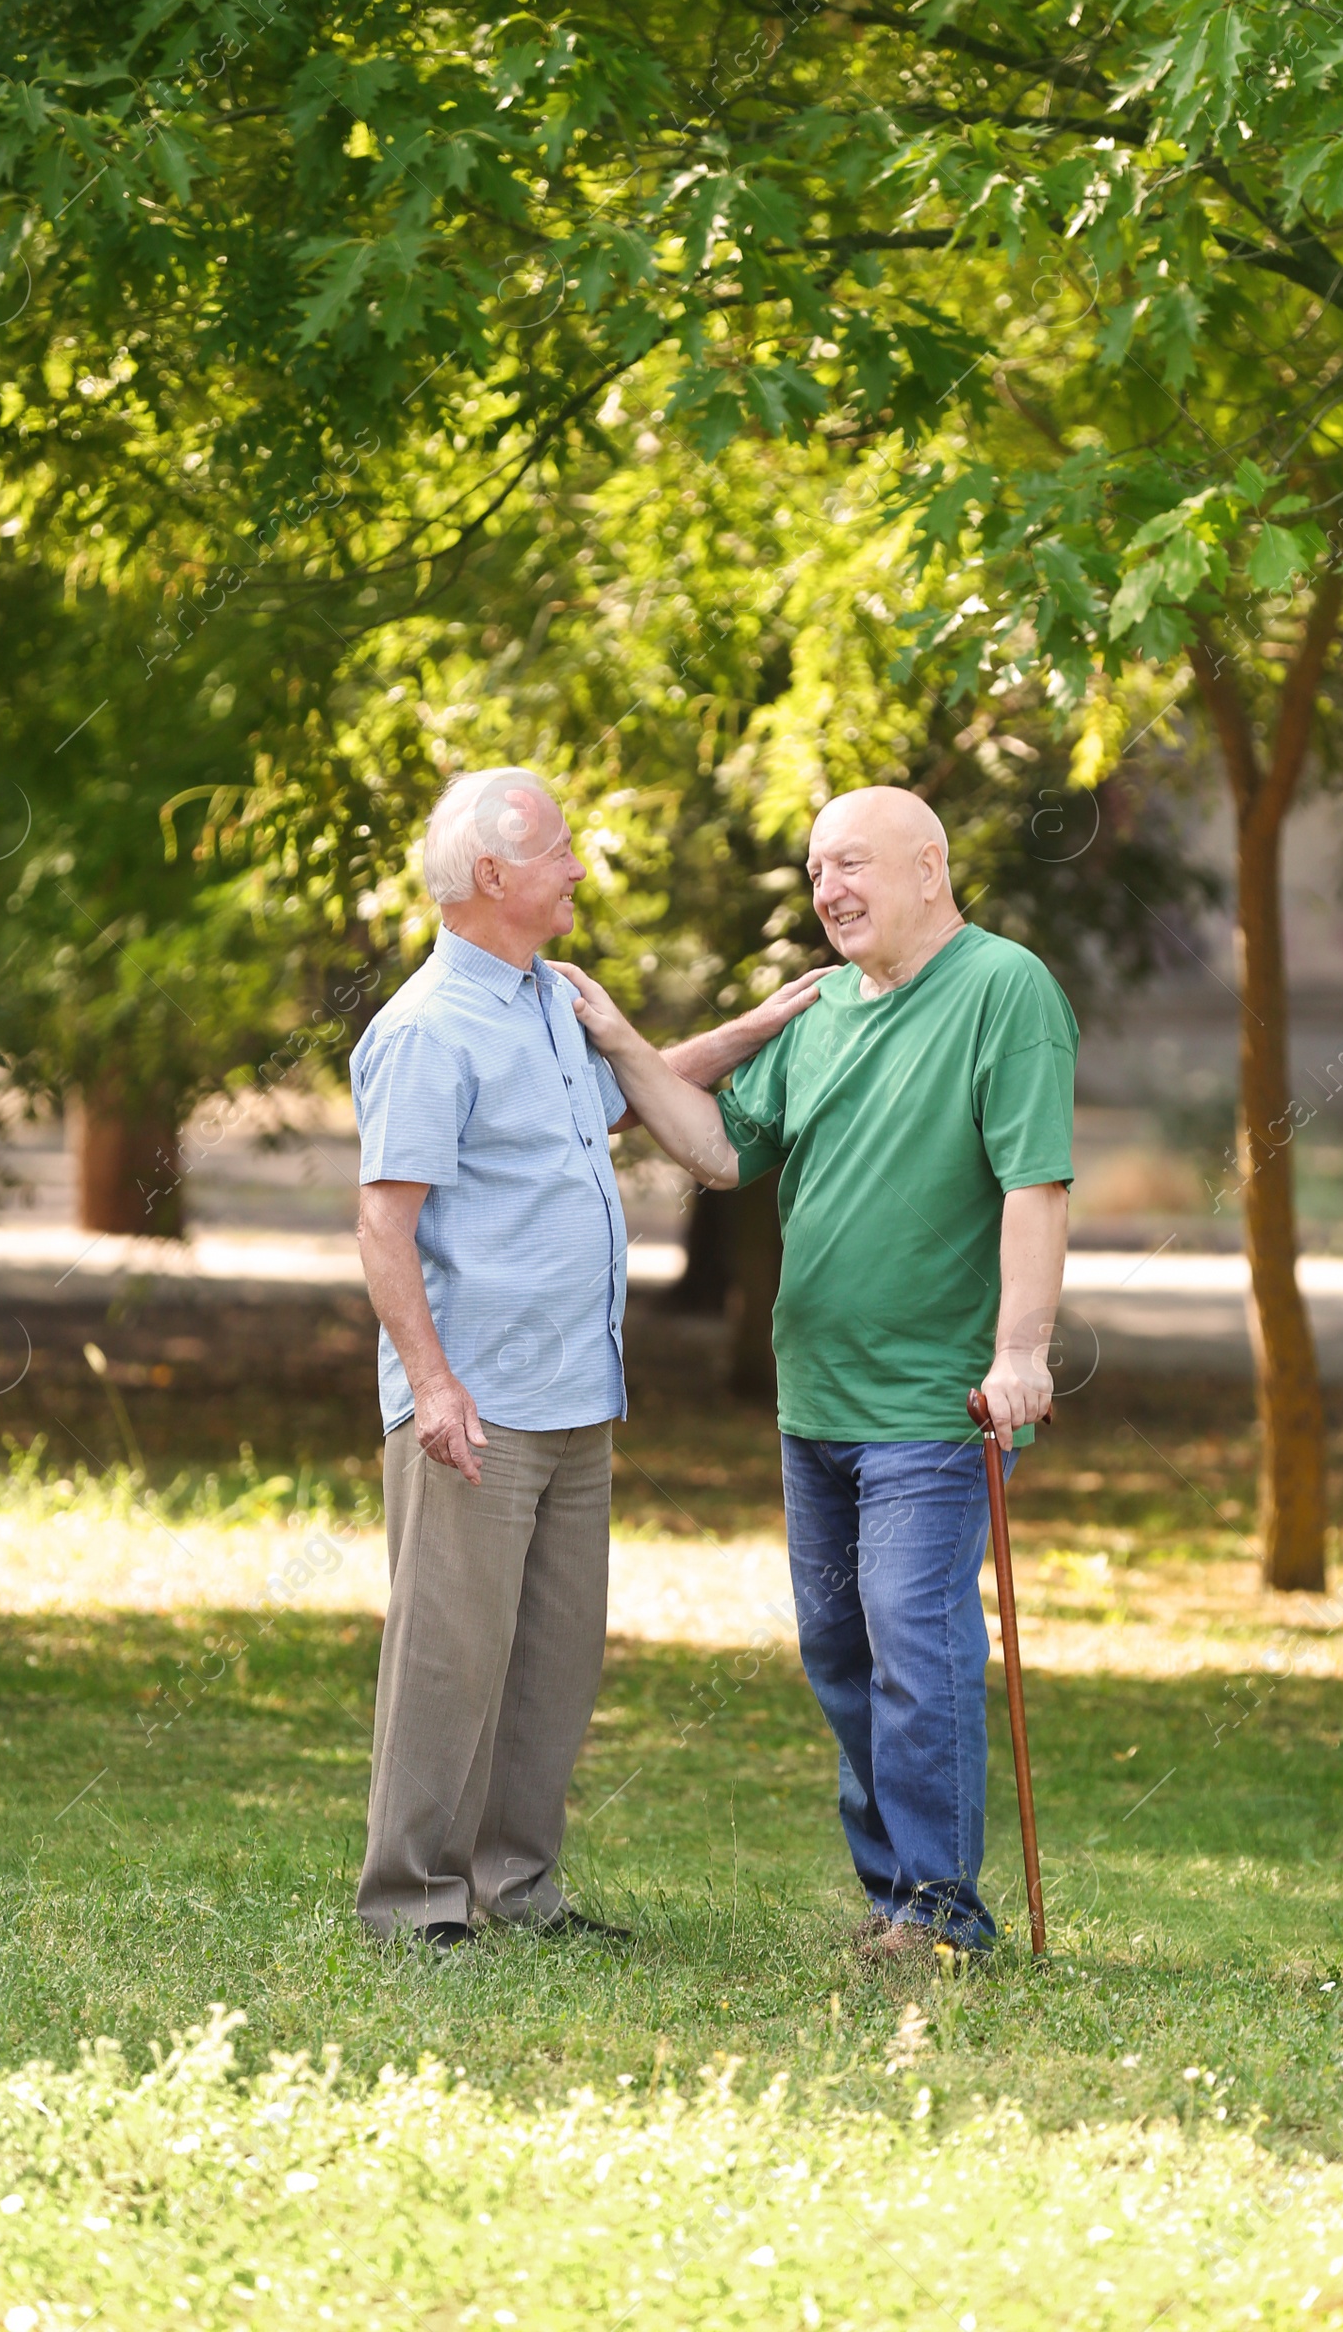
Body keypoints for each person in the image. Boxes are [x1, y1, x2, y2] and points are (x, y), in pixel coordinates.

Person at [556, 783, 1075, 1961]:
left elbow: (1034, 1183)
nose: (830, 890)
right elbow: (721, 1152)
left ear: (929, 870)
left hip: (934, 1401)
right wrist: (628, 1050)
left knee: (915, 1640)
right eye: (814, 872)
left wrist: (1021, 1353)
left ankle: (943, 1916)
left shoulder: (1005, 990)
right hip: (816, 1397)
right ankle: (897, 1893)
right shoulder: (824, 1011)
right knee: (841, 1652)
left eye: (853, 864)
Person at [350, 766, 818, 1949]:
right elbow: (383, 1226)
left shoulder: (546, 1000)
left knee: (552, 1665)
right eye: (557, 851)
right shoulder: (423, 1031)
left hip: (573, 1398)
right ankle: (413, 1904)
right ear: (494, 876)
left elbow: (621, 1095)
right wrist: (437, 1389)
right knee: (449, 1661)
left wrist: (756, 1028)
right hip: (478, 1405)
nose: (576, 867)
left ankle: (519, 1889)